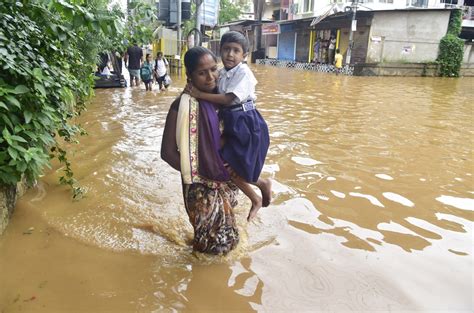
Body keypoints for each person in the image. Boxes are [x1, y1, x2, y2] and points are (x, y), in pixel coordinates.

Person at [185, 31, 271, 221]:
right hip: (231, 119)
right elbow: (213, 88)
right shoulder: (221, 73)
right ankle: (256, 194)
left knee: (237, 164)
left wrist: (198, 94)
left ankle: (262, 185)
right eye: (226, 49)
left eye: (236, 51)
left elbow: (227, 98)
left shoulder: (244, 73)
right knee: (225, 162)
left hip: (245, 121)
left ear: (244, 56)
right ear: (220, 51)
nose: (230, 54)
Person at [161, 47, 240, 255]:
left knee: (230, 240)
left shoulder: (225, 99)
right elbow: (167, 152)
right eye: (202, 72)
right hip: (200, 186)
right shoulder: (182, 106)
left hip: (227, 180)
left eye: (214, 69)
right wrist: (199, 173)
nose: (210, 77)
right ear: (189, 75)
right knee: (209, 245)